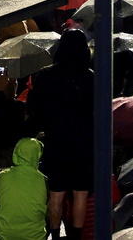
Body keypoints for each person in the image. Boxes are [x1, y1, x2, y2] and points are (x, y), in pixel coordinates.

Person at [27, 29, 92, 240]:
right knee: (80, 193)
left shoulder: (45, 75)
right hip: (83, 142)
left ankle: (55, 235)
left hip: (55, 140)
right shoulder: (91, 77)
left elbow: (34, 108)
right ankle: (76, 236)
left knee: (56, 193)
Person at [0, 137, 48, 240]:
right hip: (35, 236)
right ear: (37, 155)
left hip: (4, 235)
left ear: (15, 152)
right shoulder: (44, 180)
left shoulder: (2, 176)